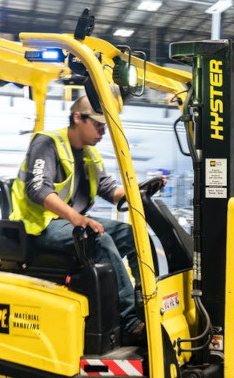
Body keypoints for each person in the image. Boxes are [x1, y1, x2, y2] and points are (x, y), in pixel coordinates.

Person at [9, 95, 150, 340]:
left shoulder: (89, 154)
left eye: (105, 127)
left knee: (133, 235)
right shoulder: (47, 143)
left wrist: (140, 191)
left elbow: (110, 191)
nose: (102, 132)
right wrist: (76, 218)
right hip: (41, 227)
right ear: (78, 118)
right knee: (99, 239)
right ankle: (129, 321)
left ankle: (147, 302)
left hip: (69, 223)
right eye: (98, 125)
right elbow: (37, 189)